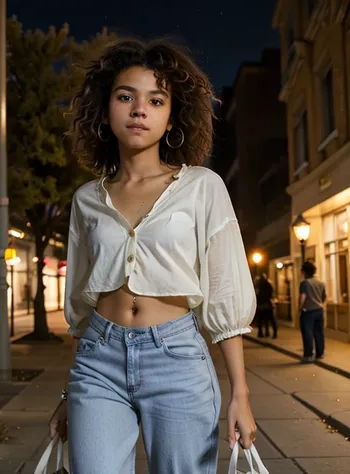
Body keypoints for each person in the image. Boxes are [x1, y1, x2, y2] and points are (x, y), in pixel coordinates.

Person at [49, 38, 257, 473]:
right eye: (126, 97)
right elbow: (81, 304)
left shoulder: (202, 186)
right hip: (97, 361)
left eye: (155, 100)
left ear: (171, 116)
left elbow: (225, 289)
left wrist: (240, 393)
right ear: (106, 110)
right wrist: (70, 394)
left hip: (178, 360)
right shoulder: (87, 199)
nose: (139, 109)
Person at [299, 261, 326, 364]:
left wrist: (300, 308)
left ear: (304, 272)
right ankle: (320, 353)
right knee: (319, 332)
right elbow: (323, 297)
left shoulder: (304, 283)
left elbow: (303, 296)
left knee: (308, 333)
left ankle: (308, 355)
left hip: (308, 311)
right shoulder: (320, 283)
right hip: (319, 310)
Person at [256, 273, 277, 339]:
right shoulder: (268, 285)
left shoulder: (259, 286)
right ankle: (273, 333)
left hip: (261, 305)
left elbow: (257, 295)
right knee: (270, 319)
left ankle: (261, 333)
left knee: (261, 320)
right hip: (267, 305)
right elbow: (271, 294)